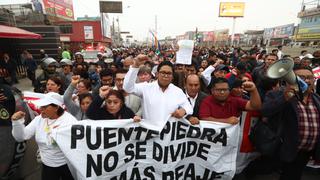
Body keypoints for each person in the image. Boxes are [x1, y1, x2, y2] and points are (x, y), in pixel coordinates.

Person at [261, 66, 320, 180]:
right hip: (286, 148)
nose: (307, 81)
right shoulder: (277, 94)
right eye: (302, 77)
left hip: (307, 151)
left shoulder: (317, 98)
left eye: (309, 77)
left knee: (295, 174)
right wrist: (285, 98)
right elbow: (266, 111)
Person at [11, 92, 76, 180]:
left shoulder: (70, 121)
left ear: (56, 107)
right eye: (41, 106)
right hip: (47, 165)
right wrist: (16, 122)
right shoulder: (39, 119)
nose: (41, 109)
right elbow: (21, 137)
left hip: (67, 165)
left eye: (45, 107)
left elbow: (77, 145)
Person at [123, 55, 193, 130]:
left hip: (168, 136)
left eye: (169, 73)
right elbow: (128, 88)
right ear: (157, 74)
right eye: (163, 72)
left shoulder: (177, 91)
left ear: (172, 76)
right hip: (150, 134)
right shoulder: (146, 88)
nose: (165, 75)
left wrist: (183, 111)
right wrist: (135, 66)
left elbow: (189, 107)